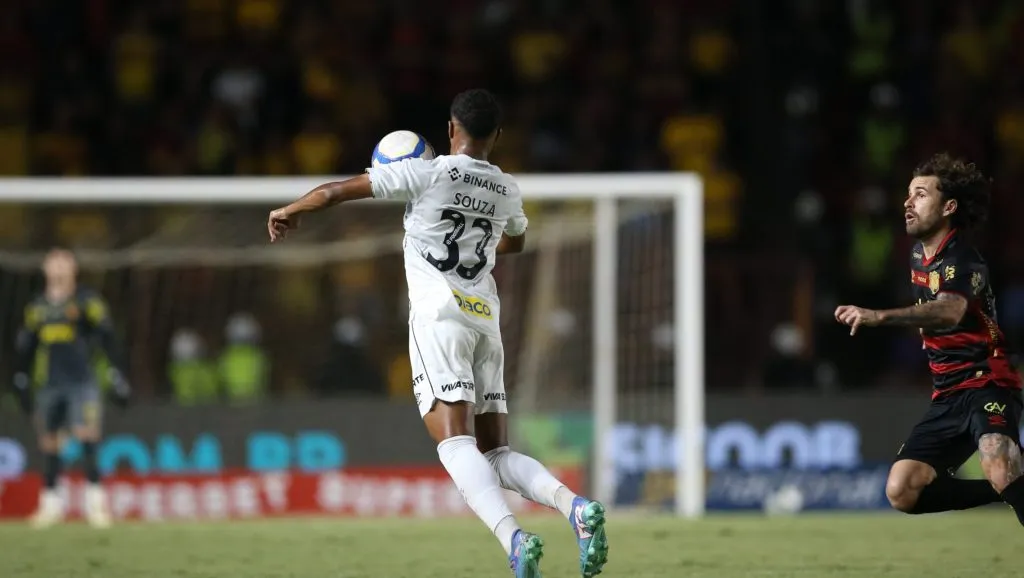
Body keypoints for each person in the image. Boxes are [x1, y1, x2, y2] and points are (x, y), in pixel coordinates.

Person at [267, 89, 609, 578]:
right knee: (496, 453)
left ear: (451, 129)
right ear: (497, 136)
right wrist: (479, 234)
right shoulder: (508, 188)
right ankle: (574, 508)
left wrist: (292, 209)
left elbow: (336, 191)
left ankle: (515, 539)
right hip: (484, 319)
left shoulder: (427, 172)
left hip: (439, 316)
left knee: (453, 443)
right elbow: (515, 240)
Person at [834, 153, 1024, 522]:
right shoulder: (919, 256)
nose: (908, 202)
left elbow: (950, 309)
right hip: (946, 392)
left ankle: (1009, 485)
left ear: (948, 206)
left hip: (988, 381)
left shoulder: (964, 258)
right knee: (902, 490)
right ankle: (1010, 490)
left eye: (920, 194)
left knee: (998, 462)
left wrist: (879, 316)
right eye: (907, 194)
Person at [12, 249, 132, 529]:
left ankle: (96, 504)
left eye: (64, 263)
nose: (59, 269)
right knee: (50, 442)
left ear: (74, 269)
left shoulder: (87, 301)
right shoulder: (37, 307)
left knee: (87, 434)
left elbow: (107, 335)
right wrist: (20, 377)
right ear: (45, 269)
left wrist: (117, 371)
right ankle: (50, 505)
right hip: (49, 384)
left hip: (82, 381)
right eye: (54, 263)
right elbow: (26, 346)